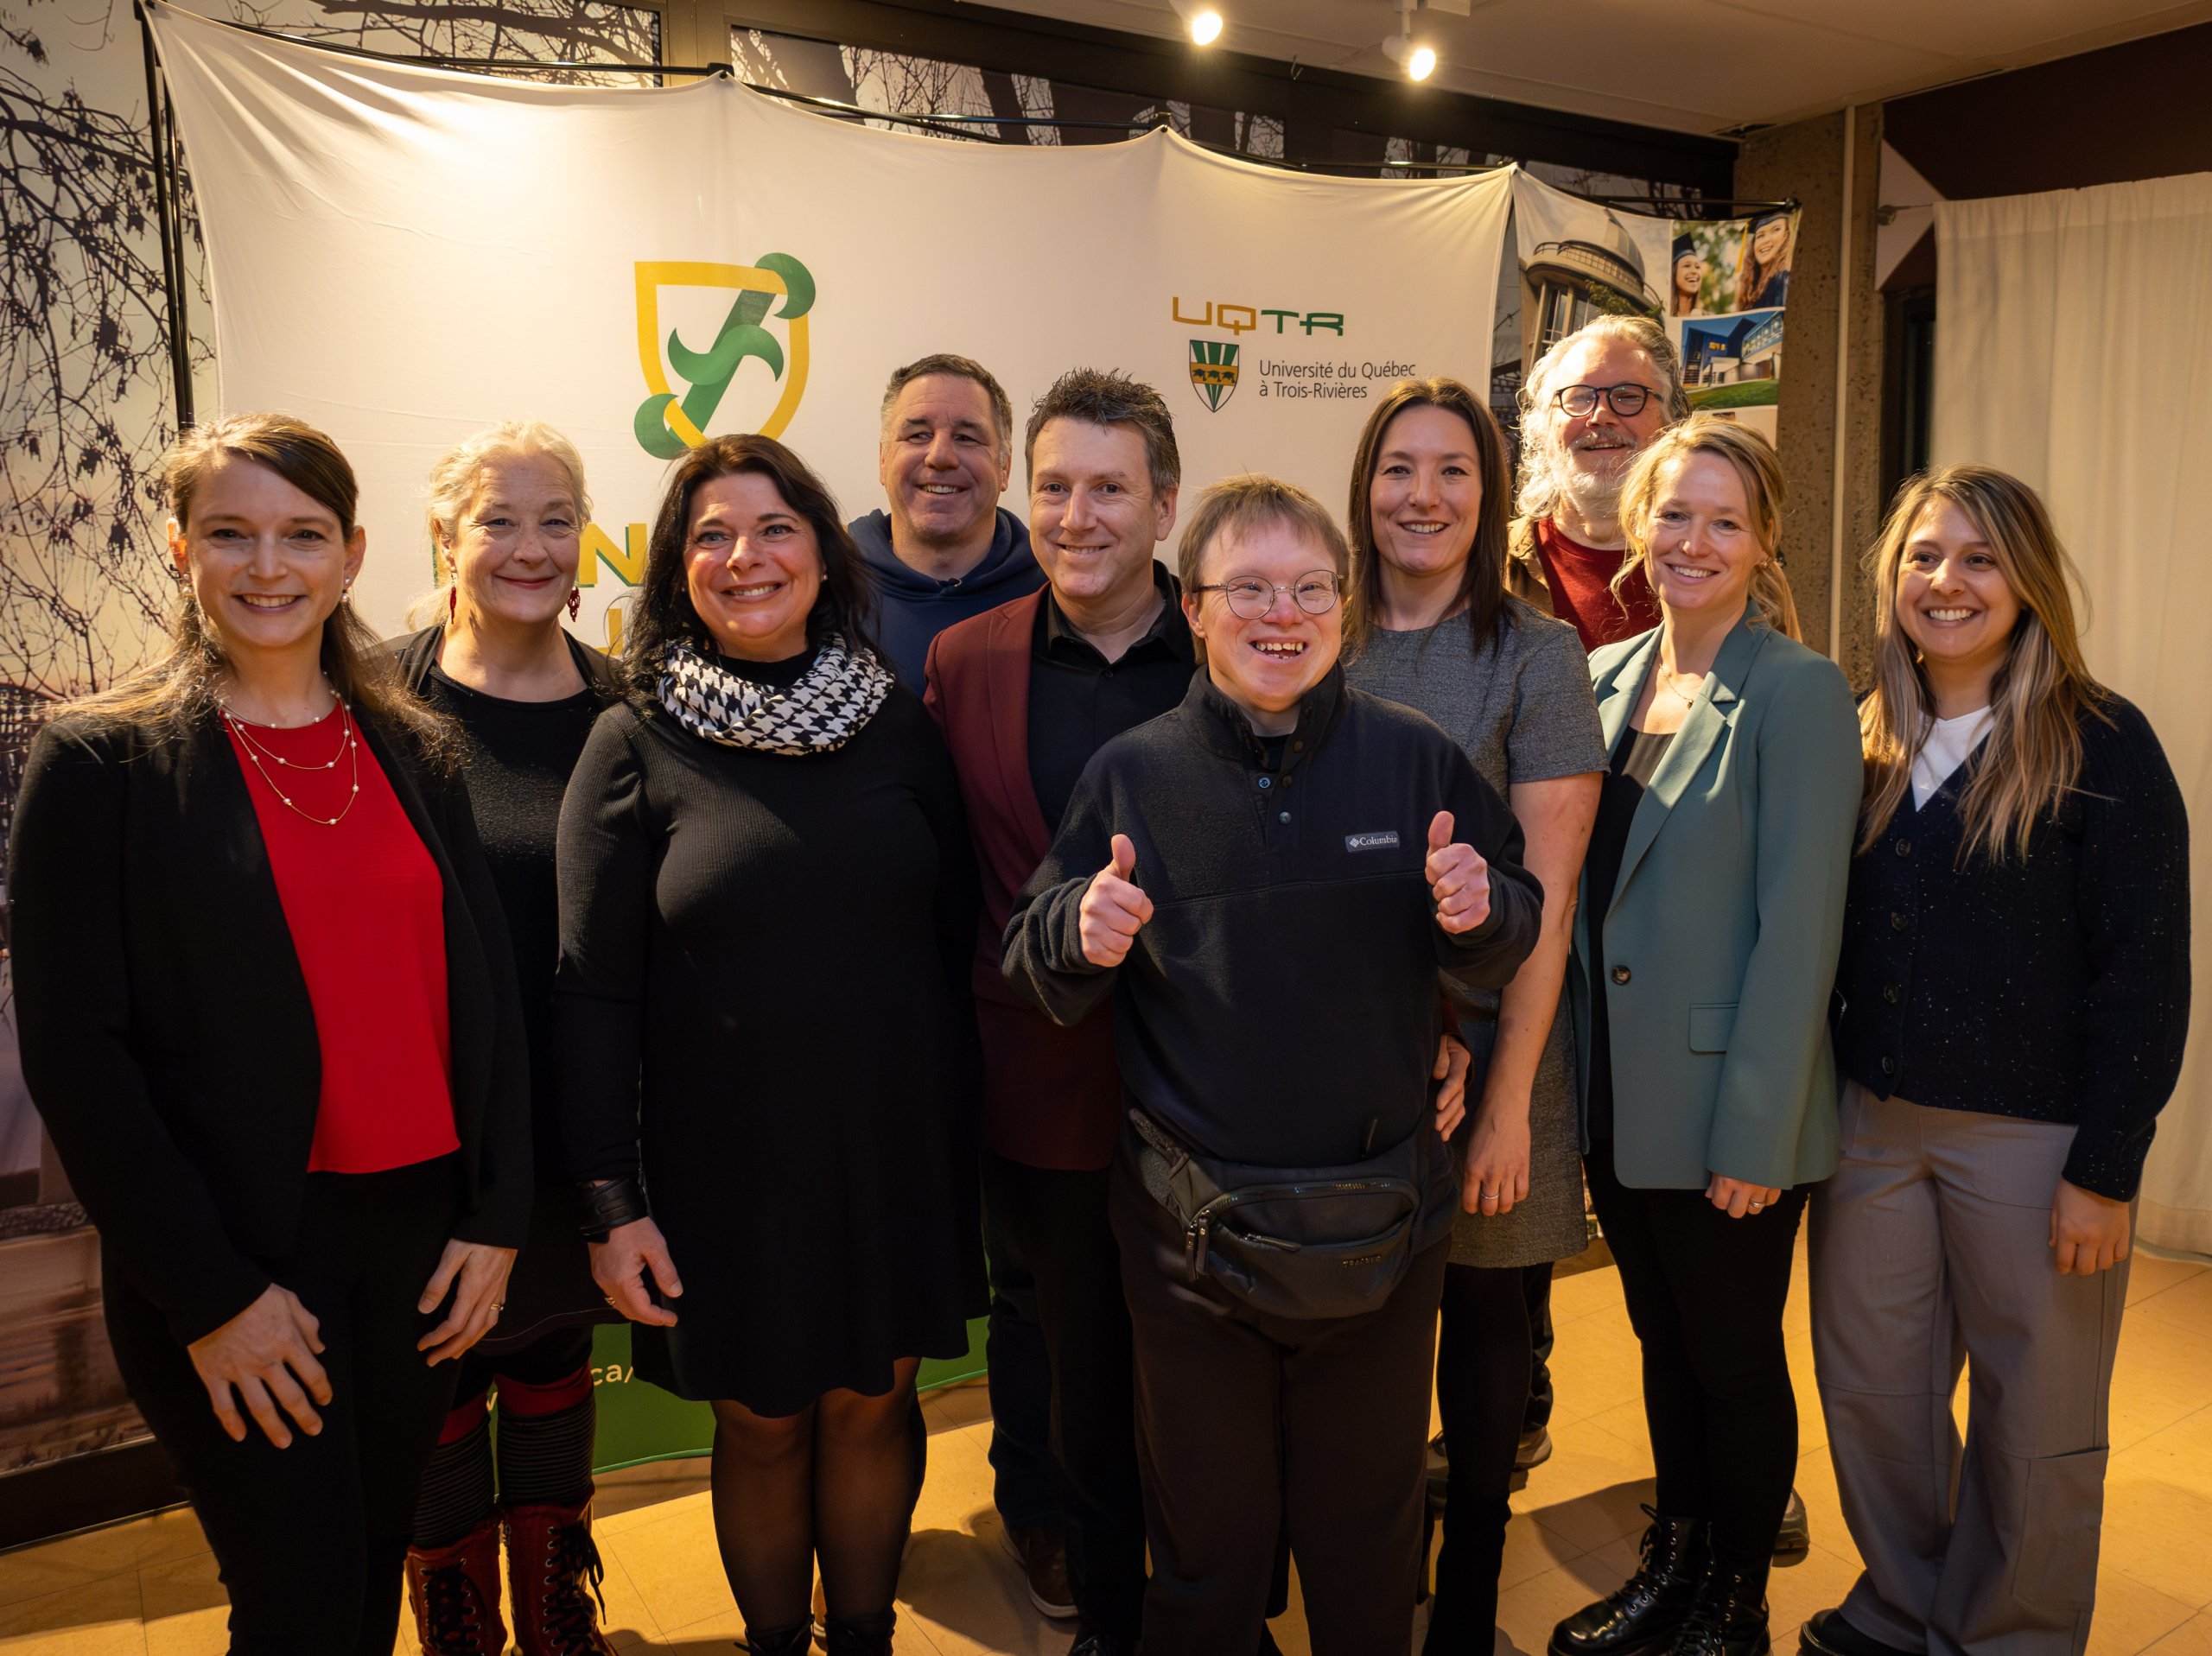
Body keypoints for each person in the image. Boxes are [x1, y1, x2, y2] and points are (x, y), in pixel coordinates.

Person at [9, 413, 531, 1653]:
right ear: (180, 549)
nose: (267, 566)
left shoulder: (414, 745)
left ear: (351, 555)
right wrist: (212, 1297)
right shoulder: (102, 767)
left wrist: (497, 1215)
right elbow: (78, 1061)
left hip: (418, 1245)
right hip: (241, 1251)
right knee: (300, 1606)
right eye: (230, 533)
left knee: (363, 1583)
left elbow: (487, 994)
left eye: (301, 534)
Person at [1003, 474, 1544, 1656]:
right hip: (1190, 1248)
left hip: (1384, 1231)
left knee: (1368, 1543)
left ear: (1342, 609)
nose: (1281, 614)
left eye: (1308, 588)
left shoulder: (1416, 761)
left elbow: (1515, 920)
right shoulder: (1132, 775)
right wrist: (1079, 932)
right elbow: (1032, 958)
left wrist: (1480, 908)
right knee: (1208, 1551)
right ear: (1193, 609)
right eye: (1247, 588)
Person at [552, 435, 982, 1656]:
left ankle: (865, 1642)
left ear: (824, 553)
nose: (746, 556)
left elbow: (953, 937)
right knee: (762, 1423)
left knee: (874, 1404)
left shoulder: (897, 725)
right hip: (723, 1174)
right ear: (677, 569)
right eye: (712, 535)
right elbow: (591, 990)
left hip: (889, 1148)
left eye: (775, 527)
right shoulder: (633, 740)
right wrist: (609, 1201)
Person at [1804, 467, 2190, 1656]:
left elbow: (2145, 973)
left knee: (2038, 1415)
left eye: (1979, 558)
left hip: (2036, 1142)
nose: (1947, 581)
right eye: (1923, 557)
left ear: (2027, 581)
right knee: (1874, 1394)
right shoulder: (1860, 734)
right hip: (1870, 1128)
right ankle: (1907, 1605)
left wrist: (2107, 1170)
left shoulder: (2103, 742)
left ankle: (2007, 1635)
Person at [1549, 416, 1859, 1656]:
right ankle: (1671, 1566)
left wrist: (1757, 1134)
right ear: (1639, 524)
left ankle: (1733, 1602)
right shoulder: (1604, 676)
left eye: (1725, 521)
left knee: (1730, 1359)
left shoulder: (1798, 690)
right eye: (1675, 513)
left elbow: (1802, 928)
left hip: (1733, 1105)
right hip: (1617, 1098)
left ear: (1764, 540)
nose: (1694, 540)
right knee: (1662, 1347)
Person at [1340, 378, 1606, 1654]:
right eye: (1399, 468)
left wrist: (1503, 1103)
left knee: (1490, 1326)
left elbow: (1547, 904)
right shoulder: (1318, 630)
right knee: (1365, 1333)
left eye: (1454, 470)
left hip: (1508, 1042)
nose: (1424, 496)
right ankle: (1375, 1566)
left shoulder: (1538, 655)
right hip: (1350, 1046)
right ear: (1363, 488)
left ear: (1491, 494)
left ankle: (1472, 1588)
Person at [390, 422, 626, 1656]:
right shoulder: (377, 701)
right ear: (444, 537)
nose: (530, 547)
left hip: (576, 1109)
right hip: (424, 1116)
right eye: (497, 519)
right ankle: (455, 1608)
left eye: (555, 519)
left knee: (550, 1349)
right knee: (437, 1360)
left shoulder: (627, 708)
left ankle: (553, 1602)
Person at [850, 352, 1046, 685]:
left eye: (966, 438)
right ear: (883, 460)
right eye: (918, 435)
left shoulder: (1057, 593)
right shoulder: (824, 588)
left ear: (1005, 467)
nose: (940, 456)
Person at [1508, 315, 1689, 654]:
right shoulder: (1487, 562)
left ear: (1668, 422)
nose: (1600, 415)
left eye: (1628, 396)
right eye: (1578, 397)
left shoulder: (1722, 564)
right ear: (1543, 426)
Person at [1735, 212, 1792, 311]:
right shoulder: (1749, 291)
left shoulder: (1783, 280)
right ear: (1754, 244)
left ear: (1786, 236)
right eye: (1760, 235)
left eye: (1776, 230)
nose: (1766, 240)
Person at [1669, 236, 1707, 317]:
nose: (1694, 271)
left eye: (1697, 267)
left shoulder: (1707, 317)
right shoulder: (1662, 316)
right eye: (1687, 266)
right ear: (1674, 273)